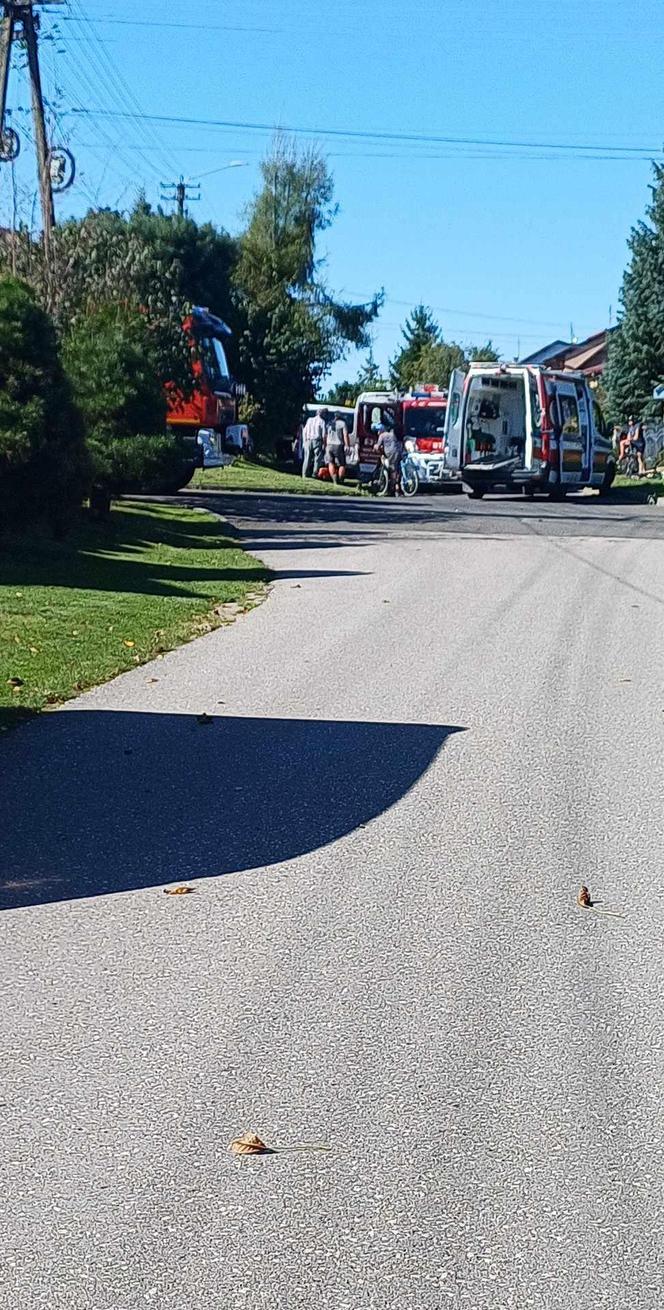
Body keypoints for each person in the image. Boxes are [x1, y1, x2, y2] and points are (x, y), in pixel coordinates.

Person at [374, 420, 404, 495]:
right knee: (395, 470)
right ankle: (396, 488)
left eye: (378, 431)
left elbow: (377, 446)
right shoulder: (392, 434)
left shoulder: (382, 436)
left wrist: (375, 447)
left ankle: (392, 488)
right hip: (396, 452)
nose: (378, 433)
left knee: (391, 470)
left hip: (389, 454)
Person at [301, 407, 327, 479]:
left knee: (307, 458)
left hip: (308, 440)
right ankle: (314, 474)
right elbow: (324, 434)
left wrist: (304, 440)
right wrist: (324, 444)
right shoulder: (322, 421)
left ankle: (304, 473)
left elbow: (304, 431)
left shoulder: (309, 420)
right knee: (317, 458)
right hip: (317, 441)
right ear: (322, 414)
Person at [325, 411, 350, 483]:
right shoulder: (342, 423)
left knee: (330, 462)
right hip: (338, 445)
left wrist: (325, 445)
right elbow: (345, 435)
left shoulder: (329, 423)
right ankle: (341, 479)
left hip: (329, 445)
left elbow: (326, 435)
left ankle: (334, 479)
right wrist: (347, 445)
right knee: (342, 464)